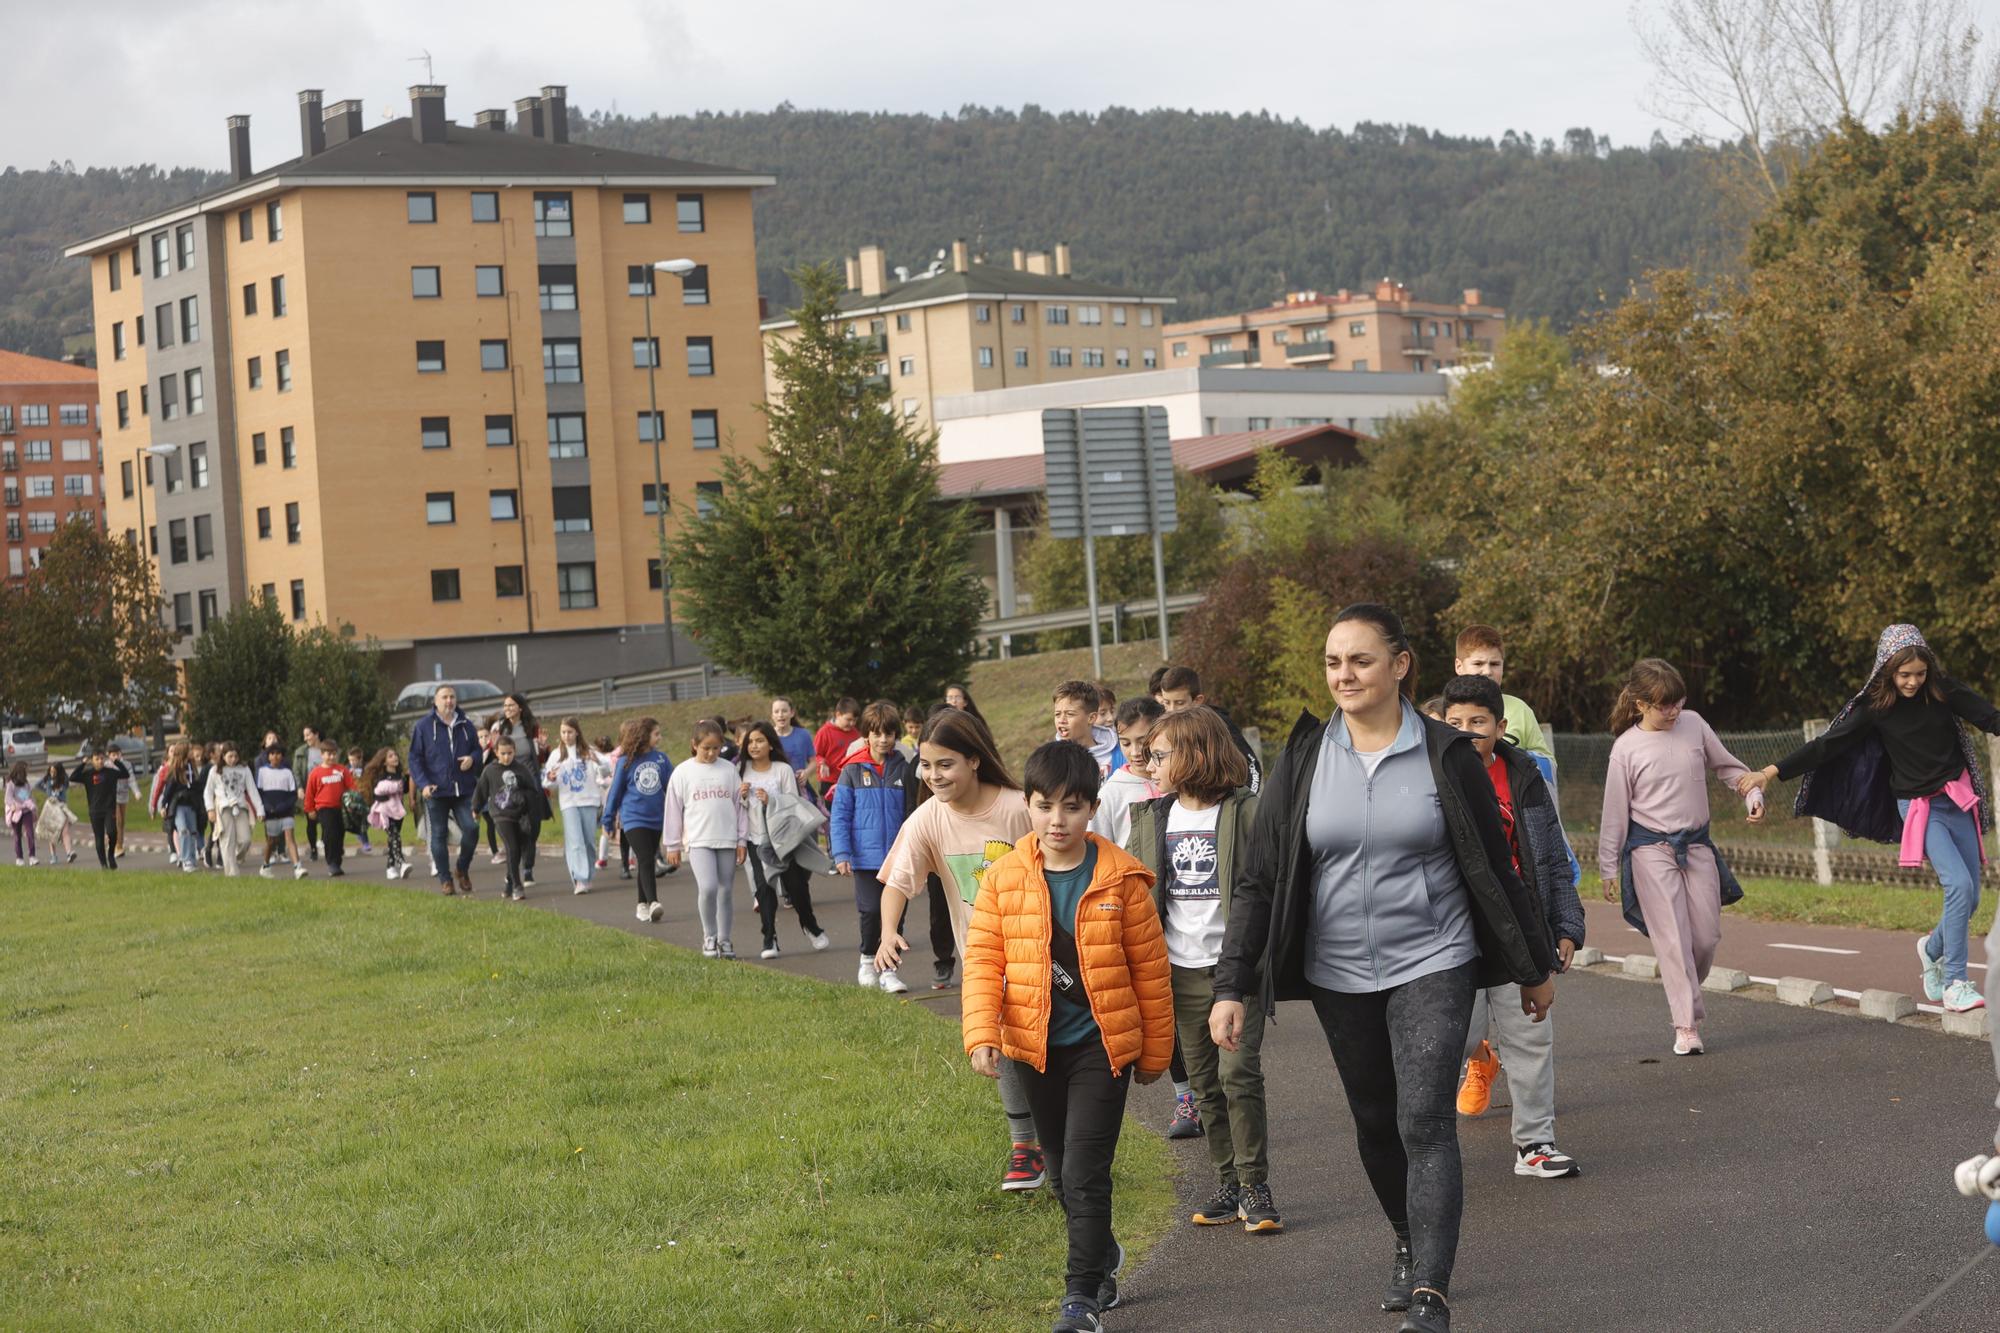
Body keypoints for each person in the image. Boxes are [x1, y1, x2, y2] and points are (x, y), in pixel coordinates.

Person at [1210, 603, 1557, 1333]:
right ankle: (1406, 1234)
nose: (1344, 674)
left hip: (1435, 957)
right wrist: (1231, 983)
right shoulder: (1305, 758)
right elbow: (1260, 878)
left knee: (1423, 1115)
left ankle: (1431, 1289)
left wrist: (1532, 964)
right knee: (1374, 1118)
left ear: (1400, 665)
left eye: (1360, 660)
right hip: (1337, 970)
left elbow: (1496, 866)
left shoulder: (1445, 752)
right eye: (1334, 661)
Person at [962, 740, 1173, 1333]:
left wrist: (1156, 1051)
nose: (1058, 820)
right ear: (1027, 805)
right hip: (1031, 1048)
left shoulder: (1123, 880)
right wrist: (982, 1033)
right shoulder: (1002, 879)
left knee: (1083, 1171)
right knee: (1058, 1173)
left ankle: (1079, 1298)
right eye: (1045, 806)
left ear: (1093, 808)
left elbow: (1151, 971)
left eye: (1072, 807)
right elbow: (983, 961)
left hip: (1100, 1049)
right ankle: (1102, 1255)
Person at [1743, 624, 2000, 1014]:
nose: (1912, 682)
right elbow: (1825, 746)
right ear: (1887, 670)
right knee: (1959, 887)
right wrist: (1770, 772)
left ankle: (1930, 949)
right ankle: (1955, 984)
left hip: (1955, 799)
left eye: (1919, 673)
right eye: (1904, 675)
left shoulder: (1944, 691)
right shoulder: (1875, 709)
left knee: (1973, 895)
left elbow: (1990, 717)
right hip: (1918, 808)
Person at [876, 708, 1044, 1192]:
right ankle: (1024, 1148)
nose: (933, 776)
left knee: (1048, 1046)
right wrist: (888, 932)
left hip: (1040, 949)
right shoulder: (927, 818)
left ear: (974, 760)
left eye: (945, 764)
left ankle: (1060, 1141)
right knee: (1003, 1045)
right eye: (926, 766)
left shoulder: (1016, 808)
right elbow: (896, 882)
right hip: (983, 956)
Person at [1126, 705, 1280, 1232]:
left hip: (1235, 970)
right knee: (1204, 1084)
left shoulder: (1248, 812)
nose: (1148, 764)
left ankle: (1256, 1185)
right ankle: (1228, 1184)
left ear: (1194, 754)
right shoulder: (1151, 819)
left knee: (1239, 1075)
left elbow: (1271, 889)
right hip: (1179, 972)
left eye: (1158, 755)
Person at [1441, 674, 1586, 1179]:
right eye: (1453, 722)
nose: (1465, 732)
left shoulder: (1525, 776)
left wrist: (1566, 924)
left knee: (1530, 1034)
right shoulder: (1428, 779)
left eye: (1477, 723)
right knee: (1458, 1037)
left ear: (1501, 727)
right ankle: (1480, 1060)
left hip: (1519, 929)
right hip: (1452, 934)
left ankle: (1535, 1144)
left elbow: (1552, 856)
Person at [1595, 658, 1761, 1054]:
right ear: (1639, 705)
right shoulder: (1625, 750)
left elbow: (1728, 768)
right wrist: (1607, 867)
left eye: (1677, 702)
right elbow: (1614, 814)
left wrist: (1753, 793)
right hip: (1650, 851)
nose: (1673, 712)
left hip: (1698, 845)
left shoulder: (1694, 724)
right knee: (1673, 938)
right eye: (1663, 705)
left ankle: (1686, 993)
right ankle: (1686, 1026)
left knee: (1704, 938)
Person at [832, 701, 915, 990]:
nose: (883, 739)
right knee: (870, 911)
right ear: (866, 735)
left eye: (889, 733)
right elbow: (840, 815)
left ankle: (889, 971)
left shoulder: (904, 769)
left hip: (898, 857)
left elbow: (911, 815)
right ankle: (868, 960)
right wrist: (841, 853)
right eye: (877, 733)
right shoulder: (851, 771)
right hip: (865, 858)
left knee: (895, 915)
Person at [738, 720, 830, 958]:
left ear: (770, 744)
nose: (754, 746)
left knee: (796, 886)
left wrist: (771, 801)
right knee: (764, 888)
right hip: (755, 838)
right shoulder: (740, 771)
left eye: (760, 741)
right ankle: (769, 939)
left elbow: (793, 802)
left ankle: (810, 925)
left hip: (784, 839)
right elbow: (737, 807)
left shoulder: (782, 769)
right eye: (751, 741)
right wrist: (744, 798)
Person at [663, 719, 749, 957]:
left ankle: (725, 939)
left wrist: (742, 840)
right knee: (709, 887)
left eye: (716, 748)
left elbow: (740, 806)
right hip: (699, 840)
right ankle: (709, 937)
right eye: (706, 748)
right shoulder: (682, 772)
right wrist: (672, 844)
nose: (711, 753)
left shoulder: (729, 770)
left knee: (726, 890)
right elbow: (673, 809)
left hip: (727, 838)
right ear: (694, 745)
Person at [411, 684, 484, 897]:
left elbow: (477, 750)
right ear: (435, 701)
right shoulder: (423, 726)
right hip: (436, 791)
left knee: (471, 828)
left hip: (463, 789)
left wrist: (472, 759)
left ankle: (462, 868)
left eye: (452, 697)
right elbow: (415, 758)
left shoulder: (465, 724)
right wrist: (423, 784)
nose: (449, 701)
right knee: (439, 835)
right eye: (444, 697)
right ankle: (445, 879)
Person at [602, 717, 672, 924]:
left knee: (646, 859)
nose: (659, 737)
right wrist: (607, 821)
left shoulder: (661, 759)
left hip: (656, 818)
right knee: (645, 858)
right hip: (633, 818)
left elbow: (673, 786)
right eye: (656, 734)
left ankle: (641, 904)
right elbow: (614, 793)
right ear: (644, 736)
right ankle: (653, 902)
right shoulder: (626, 762)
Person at [1156, 665, 1264, 794]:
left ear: (1197, 700)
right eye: (1166, 703)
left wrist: (1245, 802)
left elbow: (1251, 765)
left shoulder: (1218, 724)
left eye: (1179, 703)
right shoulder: (1163, 727)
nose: (1172, 710)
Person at [1452, 625, 1553, 760]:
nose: (1487, 671)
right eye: (1478, 664)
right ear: (1459, 666)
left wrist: (1512, 763)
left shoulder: (1520, 710)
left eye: (1494, 664)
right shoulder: (1443, 711)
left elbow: (1548, 764)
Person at [543, 719, 607, 896]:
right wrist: (551, 777)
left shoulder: (589, 751)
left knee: (588, 841)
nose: (566, 736)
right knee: (575, 841)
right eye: (563, 732)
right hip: (569, 802)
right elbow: (547, 782)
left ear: (577, 732)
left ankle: (587, 876)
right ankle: (579, 879)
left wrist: (599, 763)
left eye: (570, 732)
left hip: (589, 800)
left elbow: (606, 771)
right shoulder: (556, 755)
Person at [1091, 697, 1164, 850]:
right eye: (1125, 743)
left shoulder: (1178, 783)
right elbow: (1097, 849)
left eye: (1143, 742)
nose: (1135, 752)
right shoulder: (1110, 794)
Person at [473, 735, 540, 901]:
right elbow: (481, 790)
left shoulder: (522, 769)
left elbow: (533, 791)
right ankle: (518, 886)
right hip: (500, 815)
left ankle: (509, 882)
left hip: (519, 815)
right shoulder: (490, 770)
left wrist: (523, 797)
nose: (506, 757)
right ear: (496, 752)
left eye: (510, 753)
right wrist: (475, 808)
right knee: (512, 847)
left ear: (514, 751)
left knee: (517, 850)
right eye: (502, 753)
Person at [202, 743, 263, 876]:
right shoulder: (215, 771)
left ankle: (234, 858)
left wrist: (260, 809)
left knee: (245, 839)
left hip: (240, 807)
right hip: (224, 808)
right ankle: (232, 874)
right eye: (230, 756)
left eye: (235, 756)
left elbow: (252, 790)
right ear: (223, 756)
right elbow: (208, 792)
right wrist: (210, 809)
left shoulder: (244, 769)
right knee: (227, 840)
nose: (233, 759)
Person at [255, 743, 307, 878]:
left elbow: (292, 794)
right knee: (271, 841)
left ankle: (298, 867)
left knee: (290, 837)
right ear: (268, 756)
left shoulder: (287, 772)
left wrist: (284, 806)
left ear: (282, 756)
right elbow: (259, 793)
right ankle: (265, 865)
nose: (275, 757)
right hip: (270, 812)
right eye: (272, 754)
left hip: (286, 811)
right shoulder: (262, 771)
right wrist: (267, 808)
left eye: (278, 754)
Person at [304, 739, 355, 878]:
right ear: (322, 754)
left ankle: (337, 861)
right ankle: (331, 863)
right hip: (324, 808)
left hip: (341, 808)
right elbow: (310, 793)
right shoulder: (315, 773)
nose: (331, 757)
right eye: (328, 754)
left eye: (334, 754)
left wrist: (352, 803)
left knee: (339, 834)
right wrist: (310, 809)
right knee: (329, 834)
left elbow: (352, 787)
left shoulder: (342, 770)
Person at [1053, 680, 1122, 778]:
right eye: (1057, 714)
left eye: (1070, 714)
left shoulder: (1120, 752)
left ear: (1091, 718)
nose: (1061, 720)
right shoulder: (1051, 759)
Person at [361, 748, 412, 880]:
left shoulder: (400, 775)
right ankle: (402, 863)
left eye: (395, 755)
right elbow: (378, 793)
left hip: (398, 811)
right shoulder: (381, 777)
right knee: (395, 836)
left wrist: (408, 777)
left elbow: (404, 790)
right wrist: (393, 788)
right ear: (384, 762)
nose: (394, 757)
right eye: (390, 756)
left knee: (393, 839)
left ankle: (390, 867)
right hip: (386, 812)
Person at [157, 743, 205, 874]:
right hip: (178, 805)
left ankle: (192, 858)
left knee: (193, 831)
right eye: (189, 751)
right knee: (183, 830)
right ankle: (185, 859)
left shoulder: (192, 769)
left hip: (191, 805)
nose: (191, 753)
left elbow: (198, 786)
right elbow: (168, 790)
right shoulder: (175, 770)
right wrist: (163, 806)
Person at [79, 744, 128, 870]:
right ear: (92, 760)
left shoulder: (110, 773)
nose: (100, 761)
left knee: (112, 832)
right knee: (99, 838)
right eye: (97, 759)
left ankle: (111, 855)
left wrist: (116, 761)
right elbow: (74, 776)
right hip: (95, 810)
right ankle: (103, 864)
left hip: (109, 809)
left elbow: (125, 774)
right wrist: (83, 764)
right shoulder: (88, 774)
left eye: (102, 758)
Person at [813, 697, 863, 801]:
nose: (852, 723)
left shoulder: (855, 733)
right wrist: (822, 763)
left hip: (849, 780)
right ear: (838, 715)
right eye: (848, 720)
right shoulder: (825, 732)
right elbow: (815, 754)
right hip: (829, 781)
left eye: (854, 720)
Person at [292, 725, 326, 863]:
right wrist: (299, 787)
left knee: (326, 818)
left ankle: (324, 841)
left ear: (316, 734)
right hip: (309, 791)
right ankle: (313, 849)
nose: (306, 738)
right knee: (311, 822)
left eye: (308, 735)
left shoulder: (326, 749)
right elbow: (296, 771)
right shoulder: (301, 752)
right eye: (304, 736)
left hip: (325, 790)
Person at [34, 762, 78, 865]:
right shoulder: (48, 781)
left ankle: (69, 853)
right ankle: (53, 856)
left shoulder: (63, 781)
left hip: (61, 807)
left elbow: (67, 780)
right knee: (52, 832)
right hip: (51, 808)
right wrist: (46, 789)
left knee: (65, 831)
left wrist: (62, 772)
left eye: (54, 771)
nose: (52, 773)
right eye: (51, 771)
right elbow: (37, 785)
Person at [771, 697, 817, 789]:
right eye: (776, 712)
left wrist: (806, 772)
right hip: (775, 788)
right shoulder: (767, 736)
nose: (780, 715)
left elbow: (814, 762)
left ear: (792, 713)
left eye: (784, 711)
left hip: (800, 787)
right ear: (772, 715)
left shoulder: (803, 734)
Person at [6, 761, 36, 866]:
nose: (27, 772)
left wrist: (34, 810)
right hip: (16, 812)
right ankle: (19, 857)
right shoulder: (11, 784)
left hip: (26, 811)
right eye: (26, 770)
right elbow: (8, 798)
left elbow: (30, 797)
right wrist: (13, 805)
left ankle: (32, 856)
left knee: (30, 833)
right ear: (21, 771)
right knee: (17, 835)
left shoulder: (26, 784)